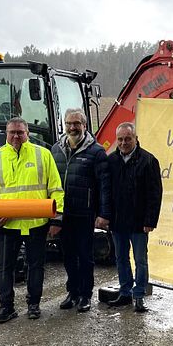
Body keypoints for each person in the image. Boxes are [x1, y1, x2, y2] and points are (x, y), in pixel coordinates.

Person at [0, 117, 64, 323]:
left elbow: (55, 188)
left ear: (27, 133)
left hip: (36, 223)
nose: (16, 136)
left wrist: (56, 220)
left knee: (36, 266)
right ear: (6, 134)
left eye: (20, 132)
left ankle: (33, 304)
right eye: (12, 132)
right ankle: (6, 307)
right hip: (8, 225)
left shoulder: (42, 155)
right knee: (5, 267)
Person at [50, 108, 110, 312]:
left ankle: (85, 295)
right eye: (69, 123)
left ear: (85, 125)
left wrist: (103, 214)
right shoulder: (55, 150)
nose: (73, 127)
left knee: (85, 256)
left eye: (77, 123)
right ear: (64, 125)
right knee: (67, 256)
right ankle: (72, 292)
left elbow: (104, 186)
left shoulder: (96, 152)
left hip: (84, 214)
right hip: (62, 215)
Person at [107, 122, 163, 313]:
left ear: (135, 139)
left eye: (127, 139)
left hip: (139, 223)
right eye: (120, 139)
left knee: (140, 260)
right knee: (121, 258)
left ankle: (138, 295)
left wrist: (150, 221)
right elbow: (105, 191)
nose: (123, 143)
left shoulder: (148, 160)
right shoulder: (111, 161)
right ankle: (125, 293)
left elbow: (155, 194)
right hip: (117, 221)